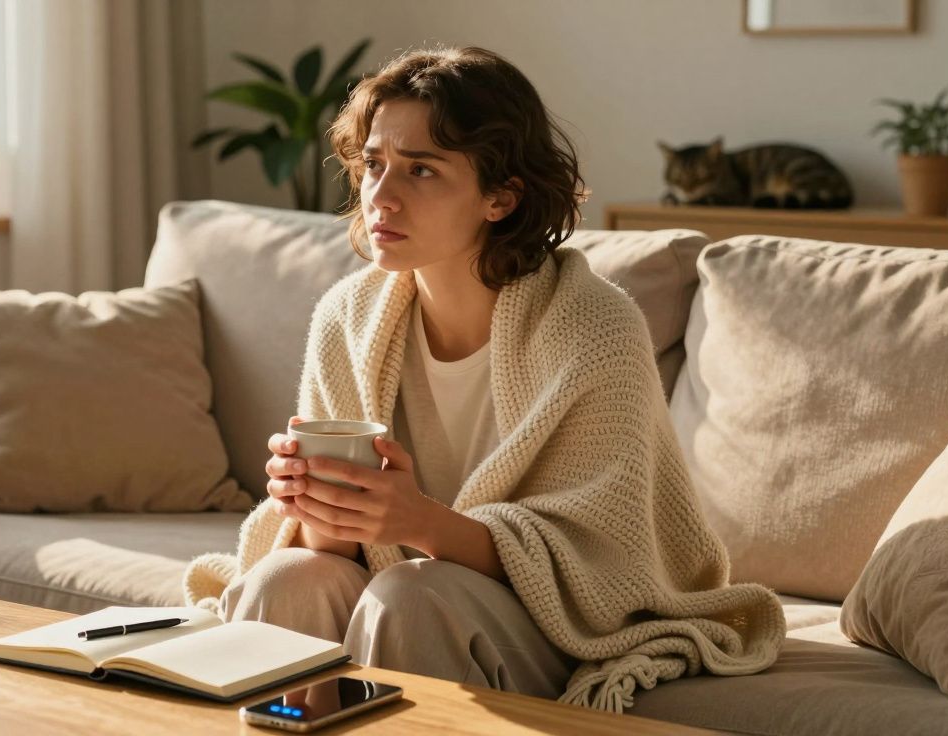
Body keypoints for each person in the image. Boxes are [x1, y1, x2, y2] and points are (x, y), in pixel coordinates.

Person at [183, 46, 785, 713]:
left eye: (422, 170)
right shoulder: (346, 318)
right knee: (288, 577)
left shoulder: (595, 328)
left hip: (552, 621)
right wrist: (316, 505)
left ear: (501, 195)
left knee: (412, 594)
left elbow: (605, 561)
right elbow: (336, 556)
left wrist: (419, 522)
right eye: (375, 164)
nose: (381, 195)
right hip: (401, 587)